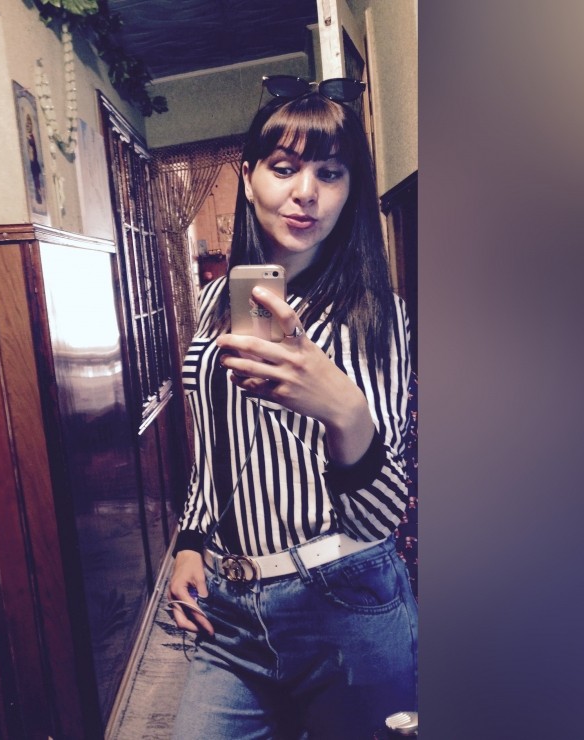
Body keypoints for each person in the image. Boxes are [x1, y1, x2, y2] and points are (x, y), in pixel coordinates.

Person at [167, 79, 417, 739]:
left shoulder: (377, 315)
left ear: (349, 191)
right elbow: (212, 447)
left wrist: (342, 410)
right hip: (229, 608)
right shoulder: (215, 301)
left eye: (329, 173)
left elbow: (379, 517)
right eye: (284, 168)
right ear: (249, 179)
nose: (306, 191)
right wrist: (191, 541)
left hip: (345, 598)